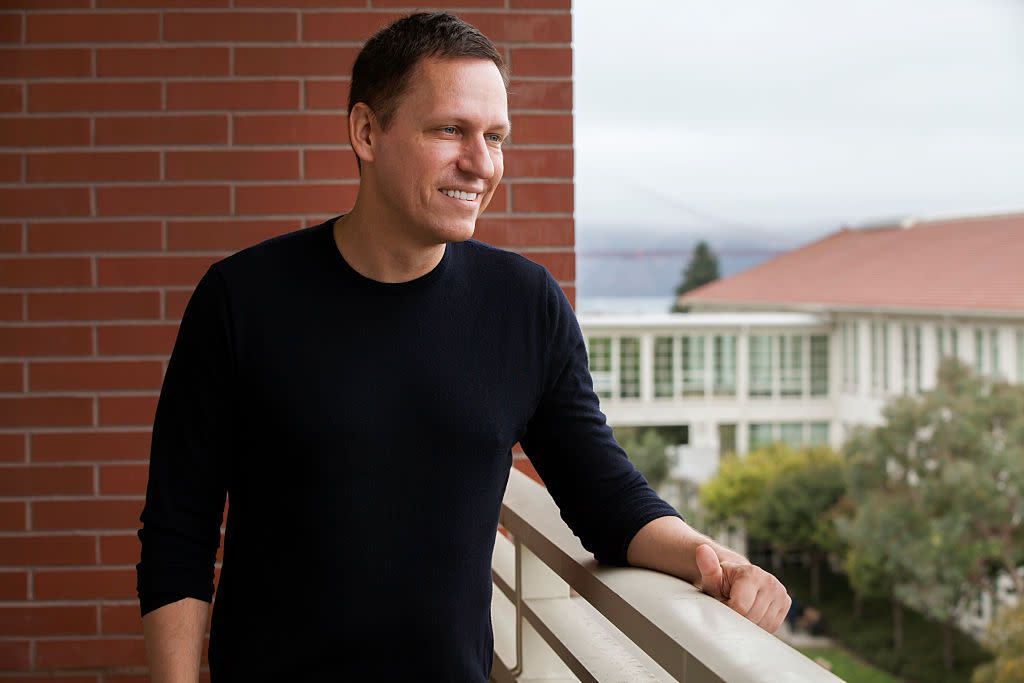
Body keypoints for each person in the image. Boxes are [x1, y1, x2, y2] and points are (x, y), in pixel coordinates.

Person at [136, 11, 790, 682]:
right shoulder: (241, 299)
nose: (481, 163)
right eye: (450, 130)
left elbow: (606, 499)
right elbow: (177, 535)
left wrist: (714, 558)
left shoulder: (525, 304)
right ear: (367, 131)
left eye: (495, 136)